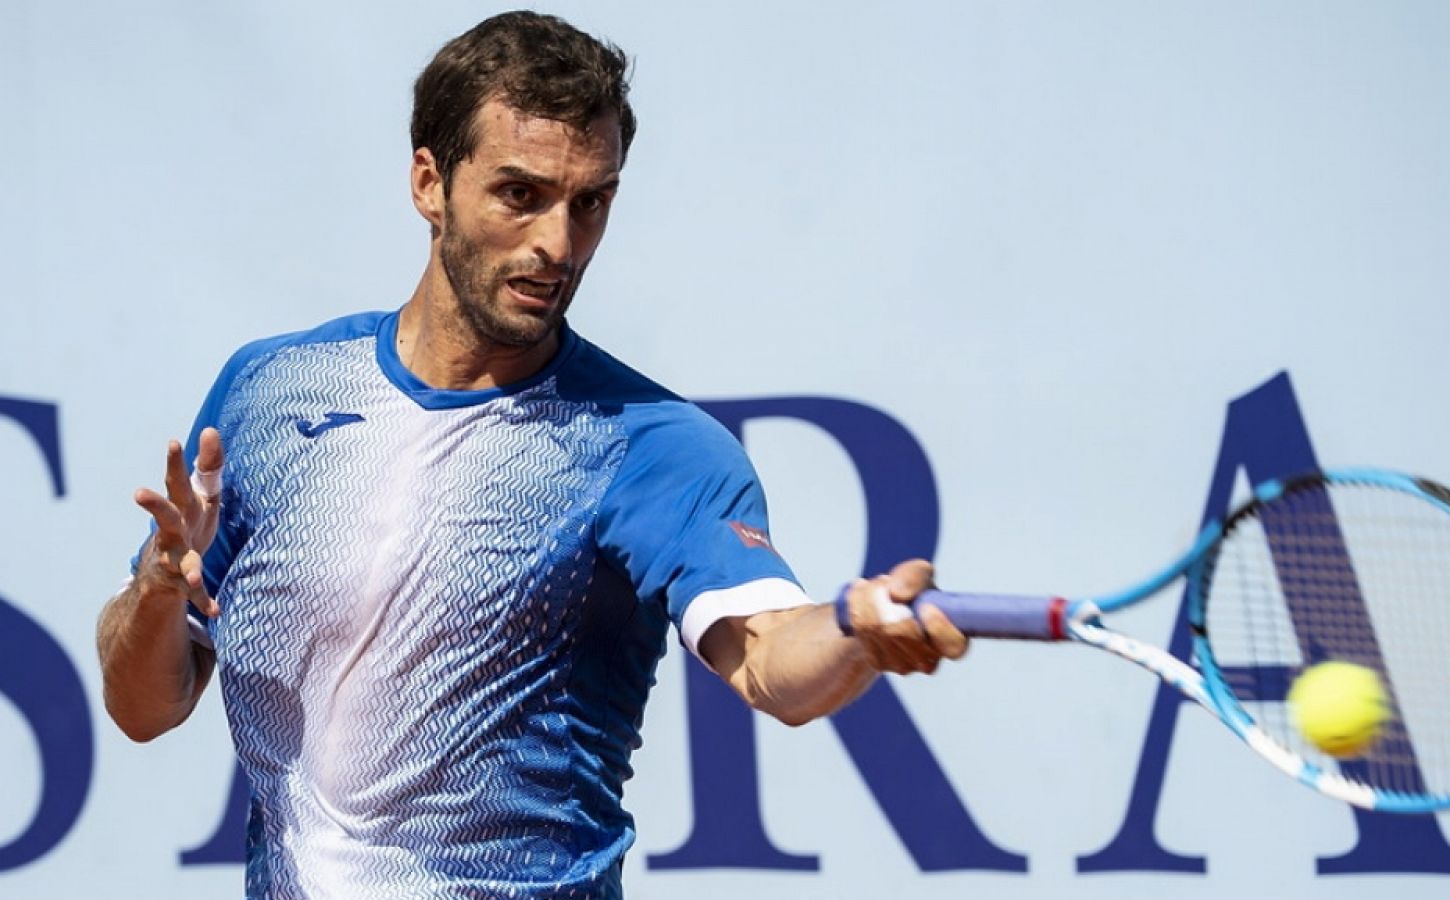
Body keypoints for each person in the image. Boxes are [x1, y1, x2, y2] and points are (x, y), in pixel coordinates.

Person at [94, 10, 966, 899]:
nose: (559, 243)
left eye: (591, 201)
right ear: (429, 183)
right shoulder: (273, 390)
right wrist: (157, 594)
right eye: (521, 194)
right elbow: (142, 708)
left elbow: (771, 660)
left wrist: (855, 629)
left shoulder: (652, 445)